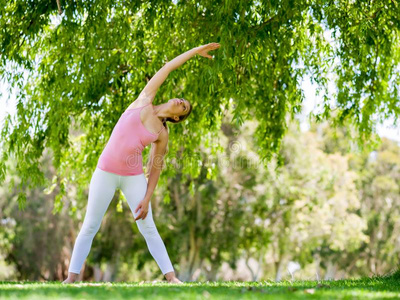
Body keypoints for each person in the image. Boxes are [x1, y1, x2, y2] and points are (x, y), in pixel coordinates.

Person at [62, 42, 221, 284]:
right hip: (105, 171)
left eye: (184, 106)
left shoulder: (162, 134)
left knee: (148, 227)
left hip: (132, 177)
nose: (181, 101)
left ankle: (171, 277)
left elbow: (154, 168)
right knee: (90, 225)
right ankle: (71, 279)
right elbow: (168, 67)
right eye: (182, 99)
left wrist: (146, 198)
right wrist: (195, 51)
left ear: (178, 116)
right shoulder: (145, 99)